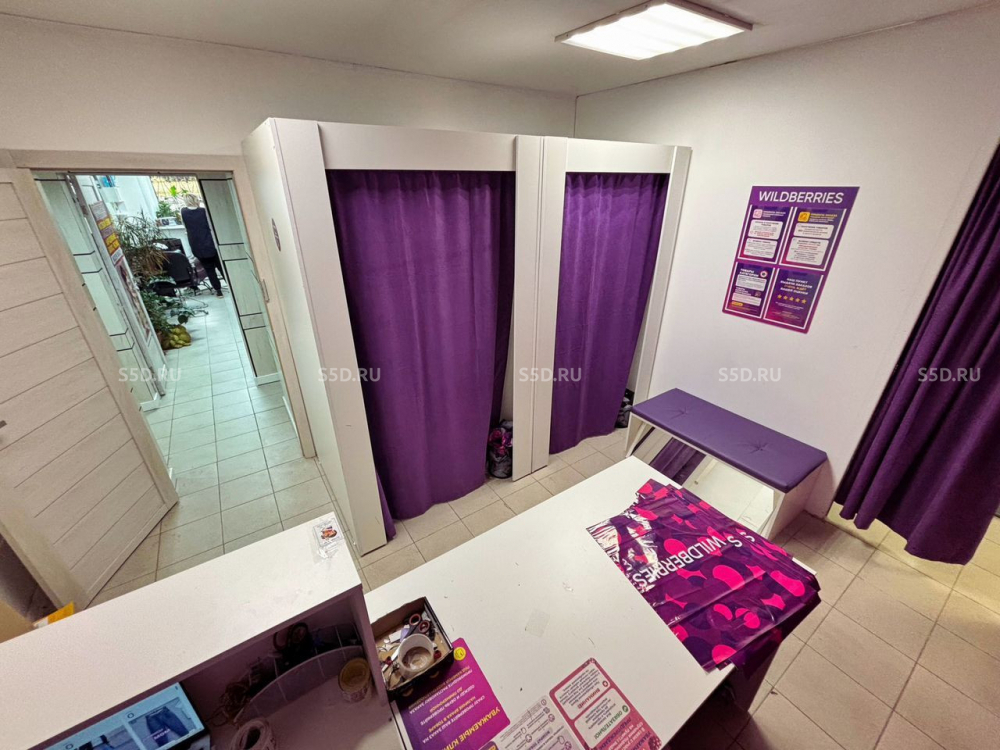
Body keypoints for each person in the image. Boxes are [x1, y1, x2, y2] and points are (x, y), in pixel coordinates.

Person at [179, 194, 224, 297]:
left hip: (196, 245)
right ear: (196, 200)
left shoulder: (184, 212)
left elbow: (185, 226)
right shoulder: (203, 211)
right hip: (209, 243)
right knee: (221, 267)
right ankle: (232, 286)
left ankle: (218, 291)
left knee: (209, 270)